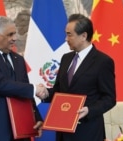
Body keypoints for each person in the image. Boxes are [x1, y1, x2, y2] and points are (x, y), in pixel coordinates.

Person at [38, 13, 116, 141]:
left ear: (84, 36)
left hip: (88, 131)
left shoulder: (103, 62)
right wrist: (46, 93)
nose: (66, 39)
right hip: (63, 131)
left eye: (69, 34)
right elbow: (59, 90)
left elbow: (109, 98)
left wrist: (89, 110)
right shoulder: (66, 58)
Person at [0, 16, 47, 141]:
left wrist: (35, 117)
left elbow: (25, 92)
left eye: (15, 34)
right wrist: (34, 89)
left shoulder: (18, 59)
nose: (15, 38)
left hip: (19, 128)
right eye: (10, 34)